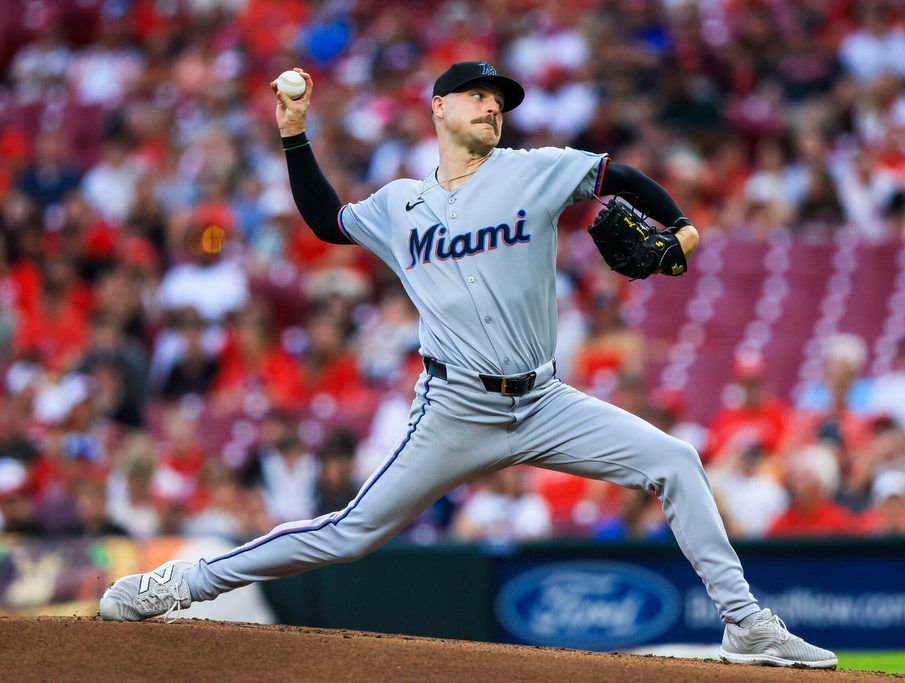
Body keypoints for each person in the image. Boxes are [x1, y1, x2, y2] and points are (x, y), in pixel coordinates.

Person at [99, 62, 836, 669]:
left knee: (675, 460)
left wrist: (683, 228)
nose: (493, 108)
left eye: (501, 100)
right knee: (352, 531)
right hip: (455, 409)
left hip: (545, 400)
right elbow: (327, 221)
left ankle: (745, 623)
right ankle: (180, 581)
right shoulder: (401, 204)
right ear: (438, 108)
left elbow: (619, 176)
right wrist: (295, 137)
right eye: (479, 96)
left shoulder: (533, 171)